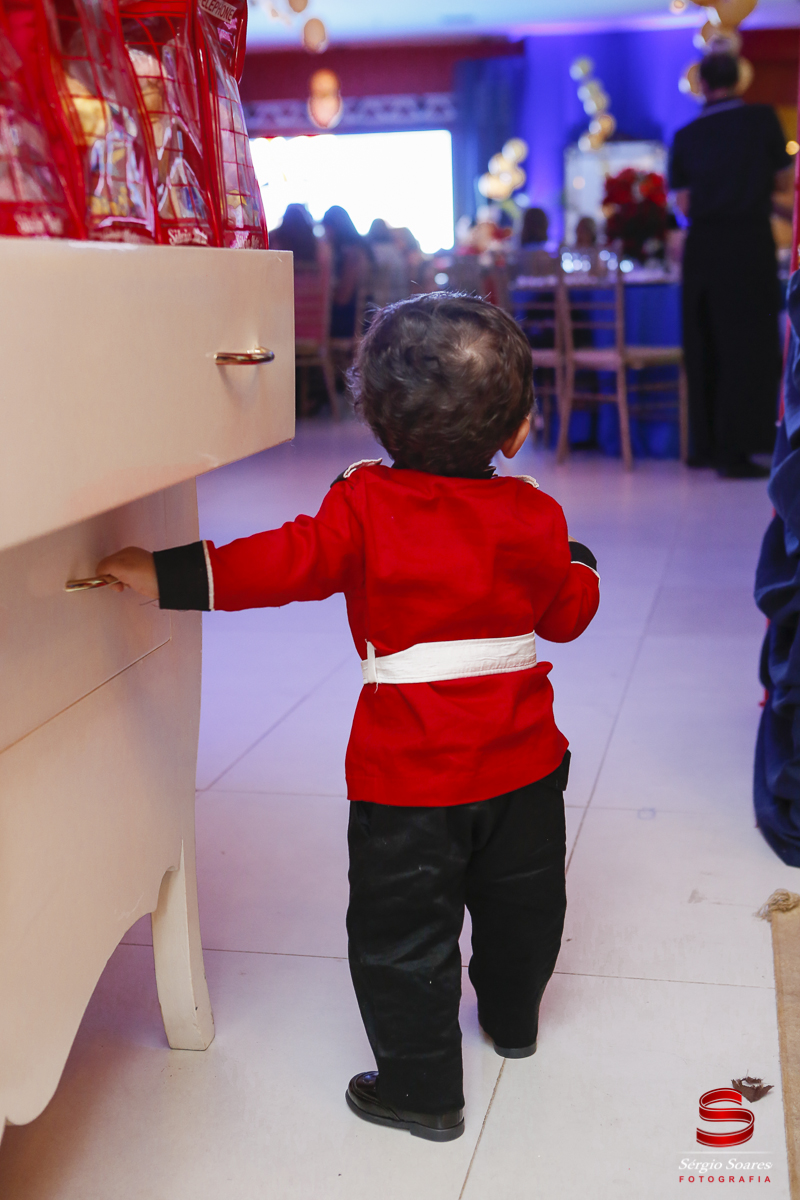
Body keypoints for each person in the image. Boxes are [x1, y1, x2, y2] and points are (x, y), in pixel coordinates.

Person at [95, 293, 600, 1143]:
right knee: (525, 907)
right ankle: (514, 1023)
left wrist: (165, 572)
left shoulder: (363, 505)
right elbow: (568, 616)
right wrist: (578, 562)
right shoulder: (538, 515)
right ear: (517, 432)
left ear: (374, 419)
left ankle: (421, 1091)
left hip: (408, 781)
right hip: (527, 770)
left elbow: (277, 563)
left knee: (403, 932)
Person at [669, 51, 793, 478]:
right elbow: (782, 183)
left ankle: (704, 445)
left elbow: (684, 205)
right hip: (748, 243)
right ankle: (741, 446)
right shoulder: (762, 120)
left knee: (704, 341)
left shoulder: (686, 134)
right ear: (739, 81)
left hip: (703, 247)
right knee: (748, 345)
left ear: (702, 85)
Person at [322, 204, 371, 338]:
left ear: (335, 227)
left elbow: (343, 297)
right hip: (364, 318)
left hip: (349, 323)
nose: (326, 234)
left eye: (327, 229)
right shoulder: (360, 248)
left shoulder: (351, 253)